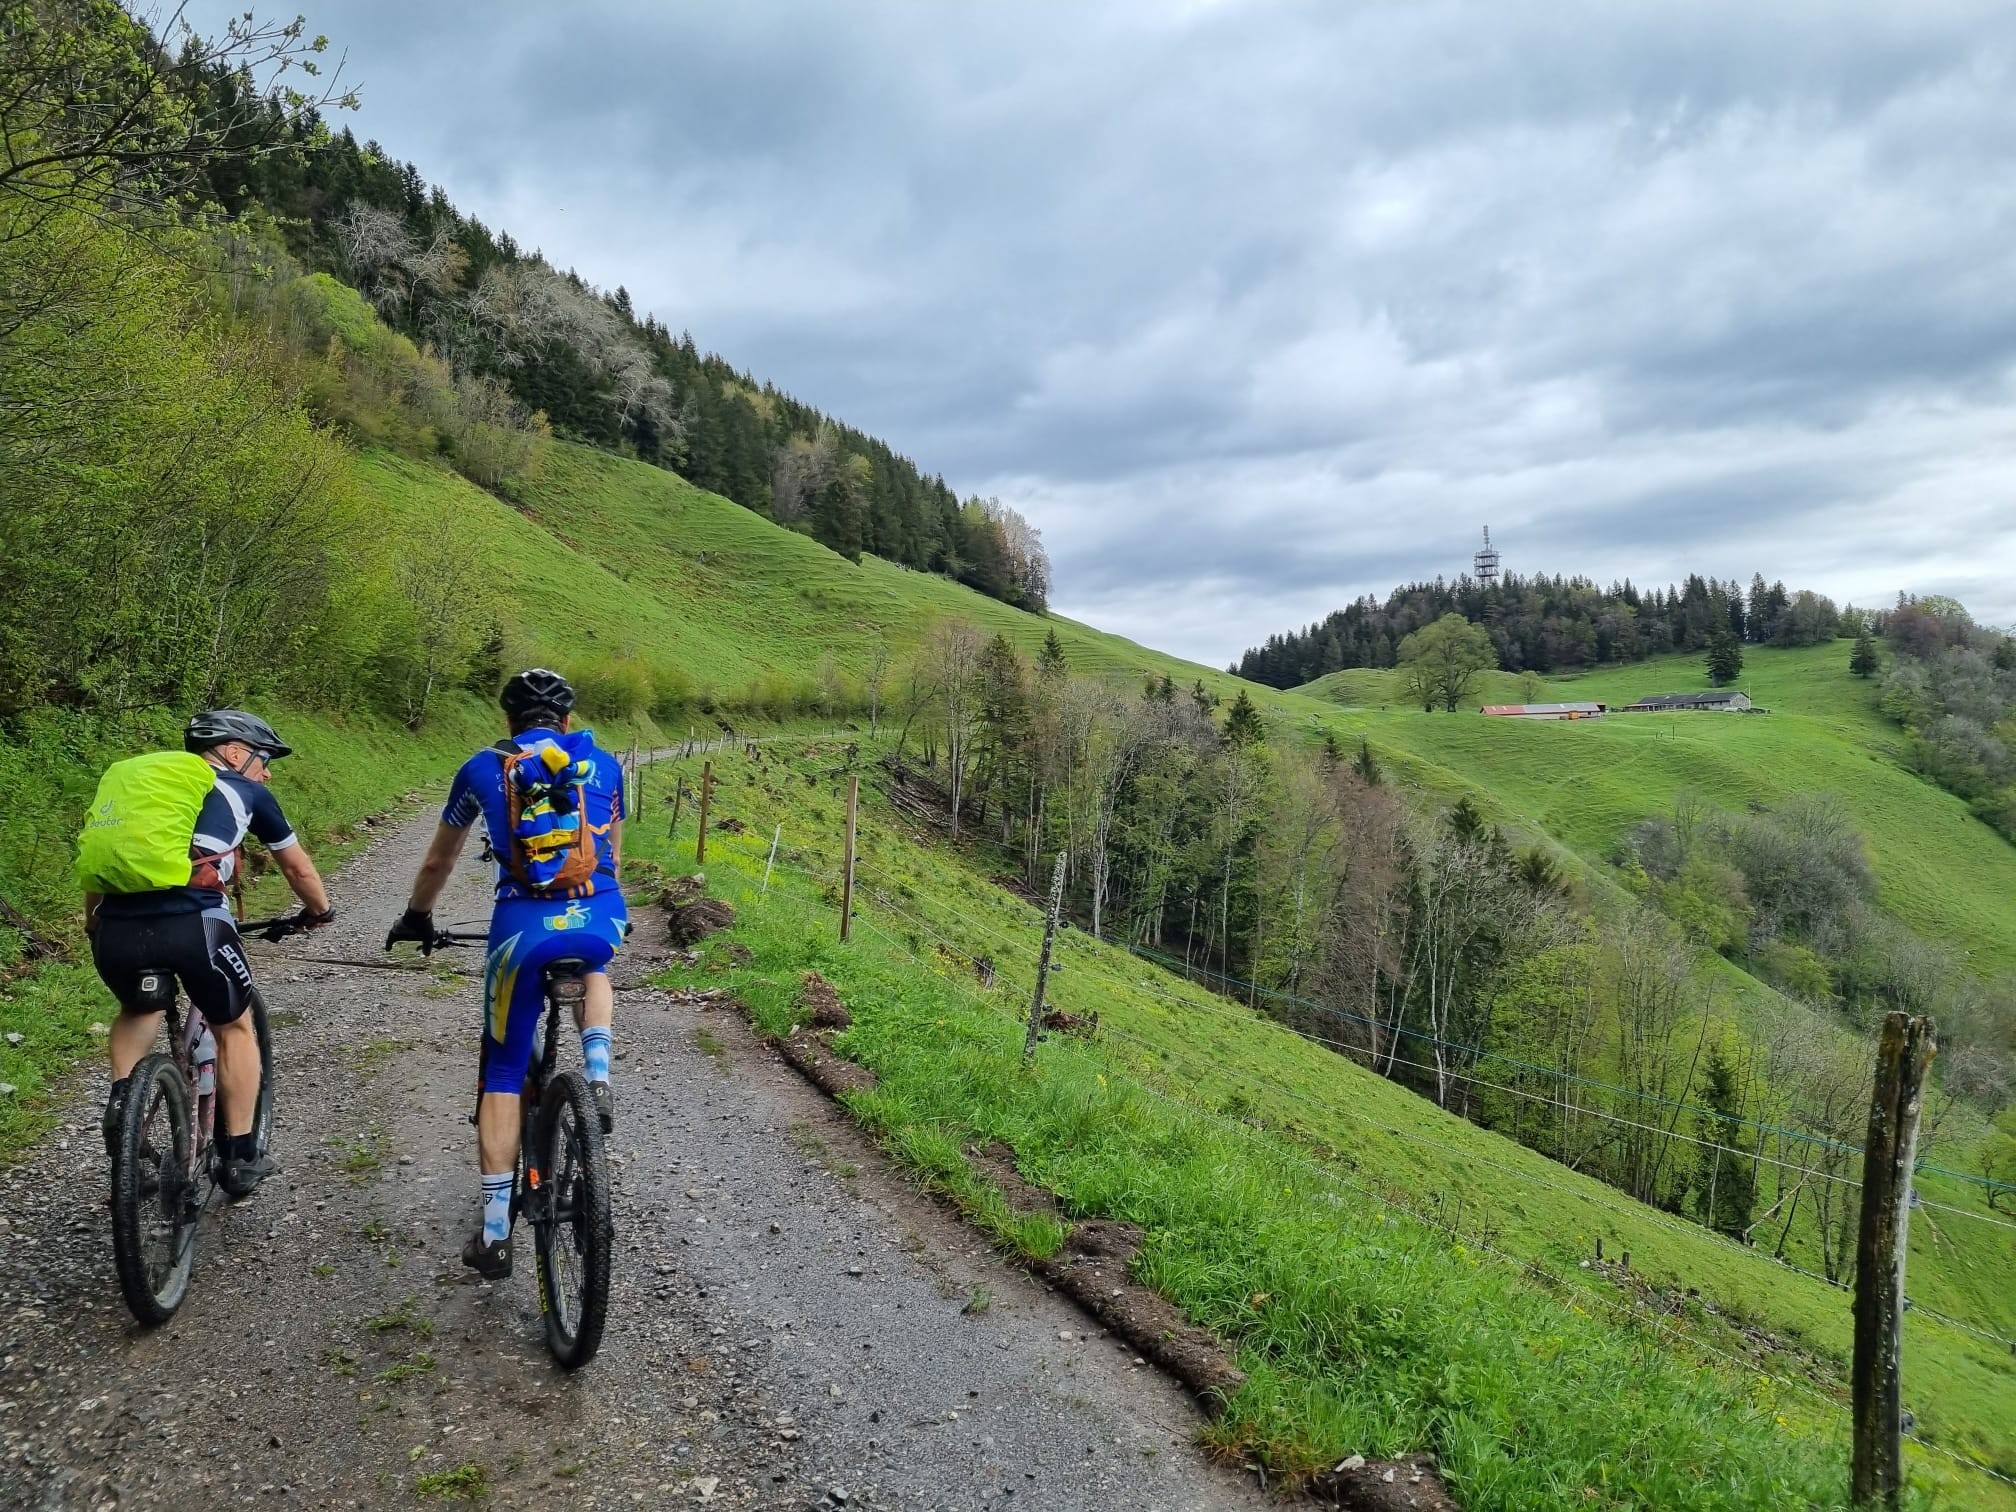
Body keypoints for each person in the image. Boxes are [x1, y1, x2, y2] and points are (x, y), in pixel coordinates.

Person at [385, 668, 627, 1280]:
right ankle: (597, 1073)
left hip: (521, 928)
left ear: (507, 721)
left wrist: (418, 916)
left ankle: (496, 1235)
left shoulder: (480, 769)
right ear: (567, 721)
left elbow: (441, 858)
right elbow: (614, 856)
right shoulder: (604, 764)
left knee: (502, 1068)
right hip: (599, 916)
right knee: (595, 963)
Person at [86, 710, 334, 1197]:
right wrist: (320, 911)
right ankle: (240, 1157)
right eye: (264, 760)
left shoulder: (144, 794)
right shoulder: (247, 793)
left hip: (116, 929)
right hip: (195, 925)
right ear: (235, 752)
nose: (268, 771)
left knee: (138, 1007)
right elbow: (298, 870)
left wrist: (94, 921)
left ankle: (123, 1109)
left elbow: (102, 866)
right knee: (235, 1027)